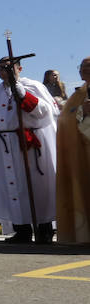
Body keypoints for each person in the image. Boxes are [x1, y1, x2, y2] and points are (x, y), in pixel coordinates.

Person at [0, 58, 59, 243]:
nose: (3, 71)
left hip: (28, 145)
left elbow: (47, 113)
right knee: (11, 187)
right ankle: (21, 229)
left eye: (8, 68)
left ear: (19, 68)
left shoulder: (33, 86)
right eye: (1, 68)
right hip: (3, 146)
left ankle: (44, 228)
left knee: (38, 187)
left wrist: (23, 95)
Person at [55, 56, 90, 244]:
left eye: (89, 66)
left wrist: (85, 119)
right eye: (82, 67)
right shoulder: (78, 96)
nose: (85, 70)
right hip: (79, 156)